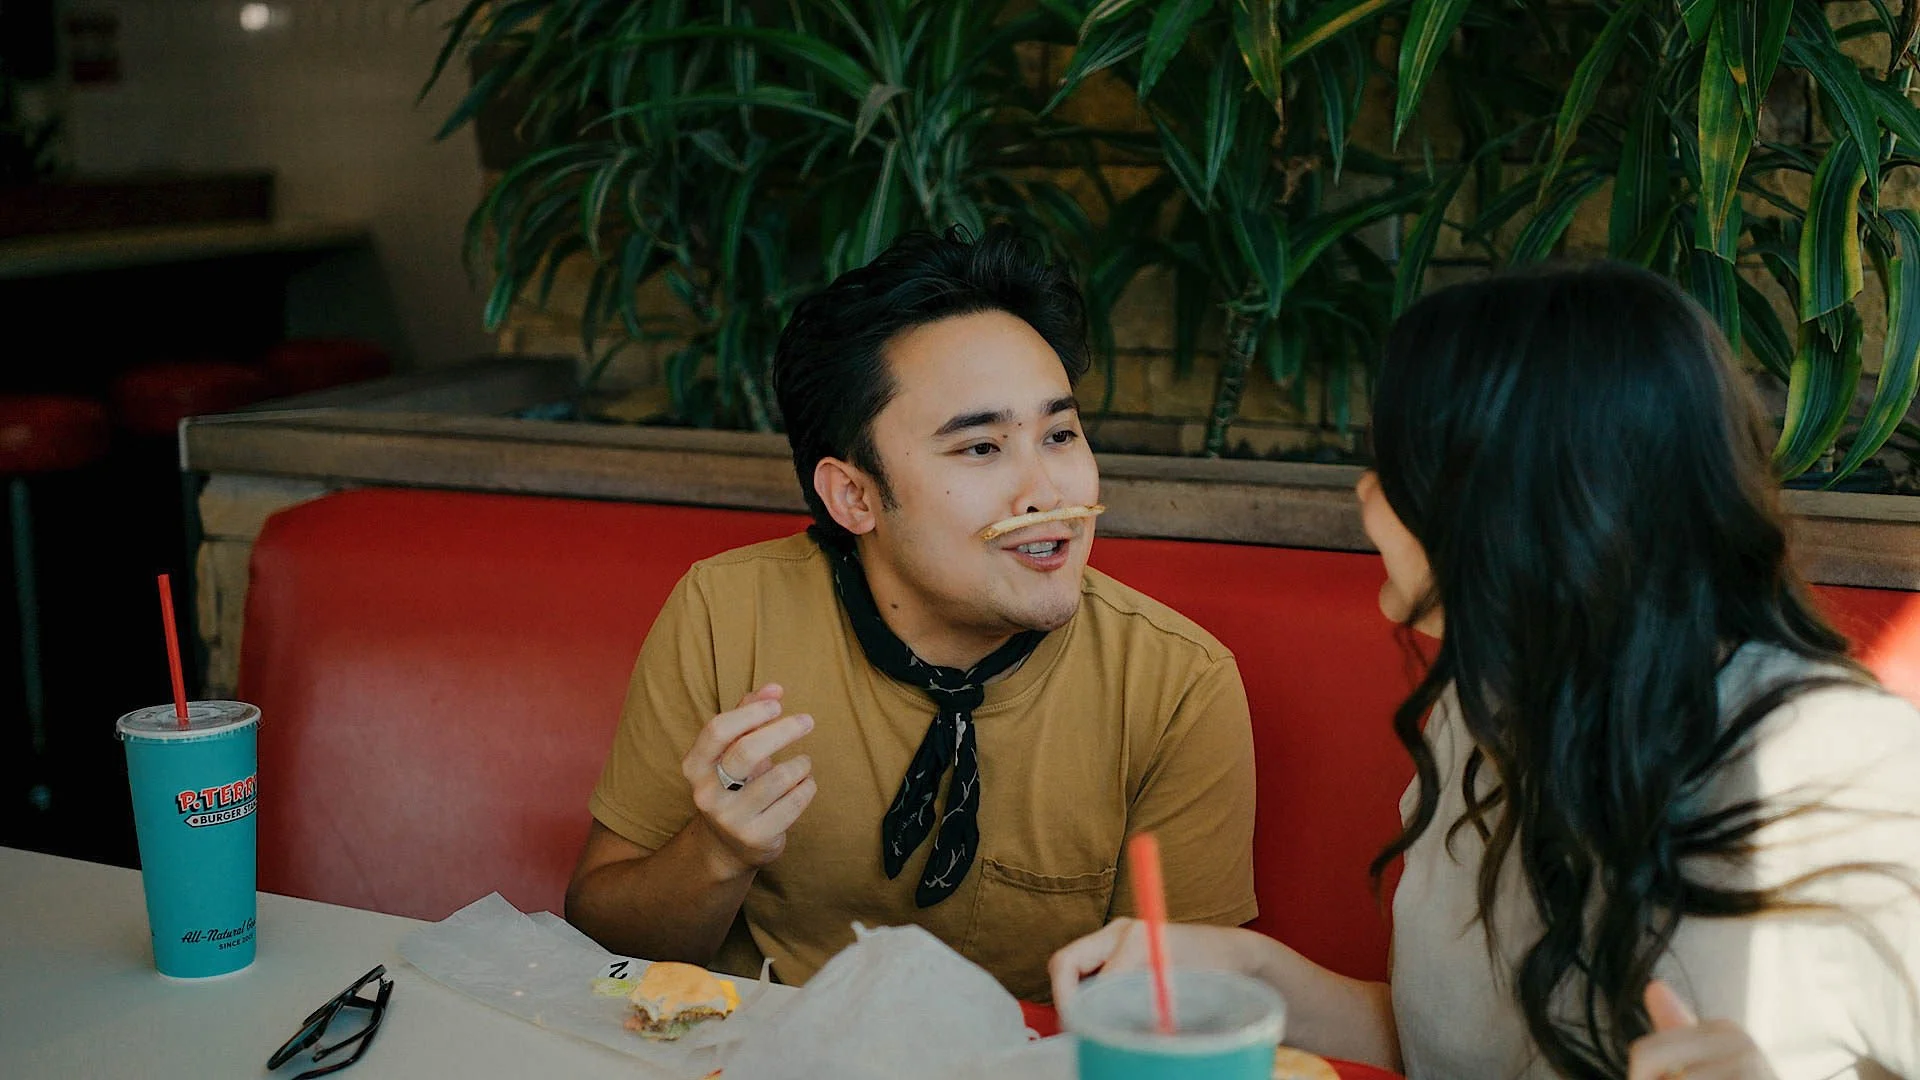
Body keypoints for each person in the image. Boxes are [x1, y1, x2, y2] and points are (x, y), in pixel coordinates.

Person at [1050, 263, 1920, 1078]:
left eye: (1396, 467)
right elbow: (1452, 1052)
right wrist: (1245, 971)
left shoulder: (1843, 770)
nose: (1363, 497)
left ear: (1515, 506)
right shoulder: (1484, 706)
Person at [565, 227, 1259, 1002]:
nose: (1047, 494)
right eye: (981, 448)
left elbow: (1184, 1009)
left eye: (1060, 435)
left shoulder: (1177, 685)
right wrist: (718, 853)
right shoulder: (728, 613)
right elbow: (602, 939)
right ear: (854, 496)